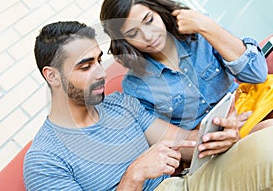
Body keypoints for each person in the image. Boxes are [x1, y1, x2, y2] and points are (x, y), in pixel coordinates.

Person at [23, 21, 273, 190]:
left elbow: (184, 143)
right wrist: (134, 175)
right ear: (52, 76)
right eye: (85, 66)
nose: (100, 73)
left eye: (99, 60)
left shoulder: (121, 105)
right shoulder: (44, 160)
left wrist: (221, 134)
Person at [100, 0, 273, 137]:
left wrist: (207, 27)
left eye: (149, 20)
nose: (148, 35)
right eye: (133, 33)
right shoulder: (136, 87)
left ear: (159, 11)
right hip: (209, 139)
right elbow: (168, 140)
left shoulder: (199, 31)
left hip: (247, 106)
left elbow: (257, 74)